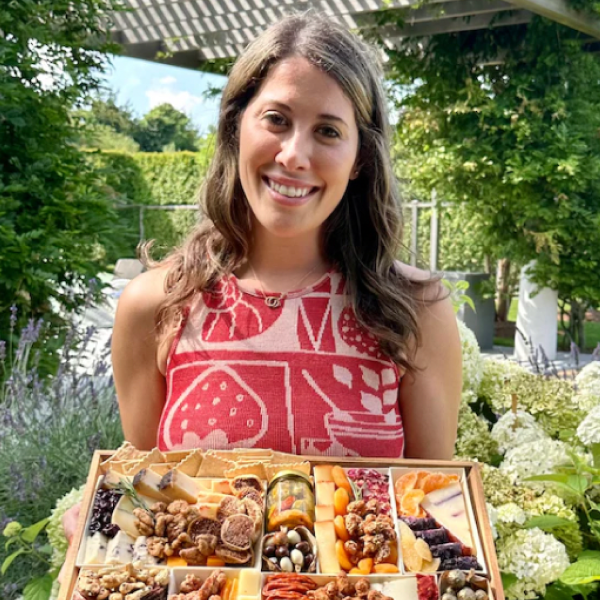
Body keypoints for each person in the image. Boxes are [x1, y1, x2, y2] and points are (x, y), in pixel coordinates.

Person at [111, 12, 462, 461]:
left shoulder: (417, 309)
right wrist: (100, 514)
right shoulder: (153, 306)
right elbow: (144, 500)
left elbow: (433, 502)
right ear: (236, 128)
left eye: (328, 131)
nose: (295, 155)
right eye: (276, 119)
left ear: (359, 160)